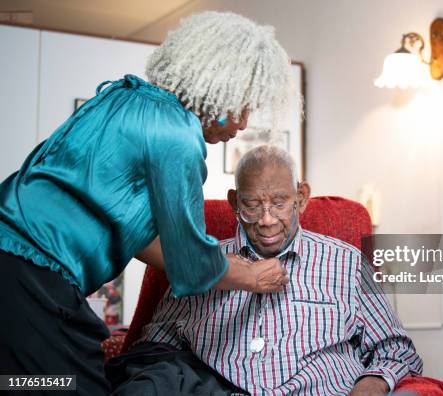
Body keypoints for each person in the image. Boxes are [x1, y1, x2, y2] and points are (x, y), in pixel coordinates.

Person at [0, 12, 293, 394]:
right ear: (221, 91)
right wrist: (249, 275)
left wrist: (221, 263)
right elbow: (191, 266)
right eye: (243, 107)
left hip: (13, 263)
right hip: (34, 277)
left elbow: (132, 233)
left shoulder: (120, 97)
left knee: (23, 384)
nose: (241, 125)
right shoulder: (177, 135)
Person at [109, 145, 423, 396]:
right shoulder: (203, 264)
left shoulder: (348, 263)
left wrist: (370, 386)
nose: (267, 220)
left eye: (280, 203)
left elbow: (396, 350)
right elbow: (154, 350)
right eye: (252, 205)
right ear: (234, 202)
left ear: (301, 199)